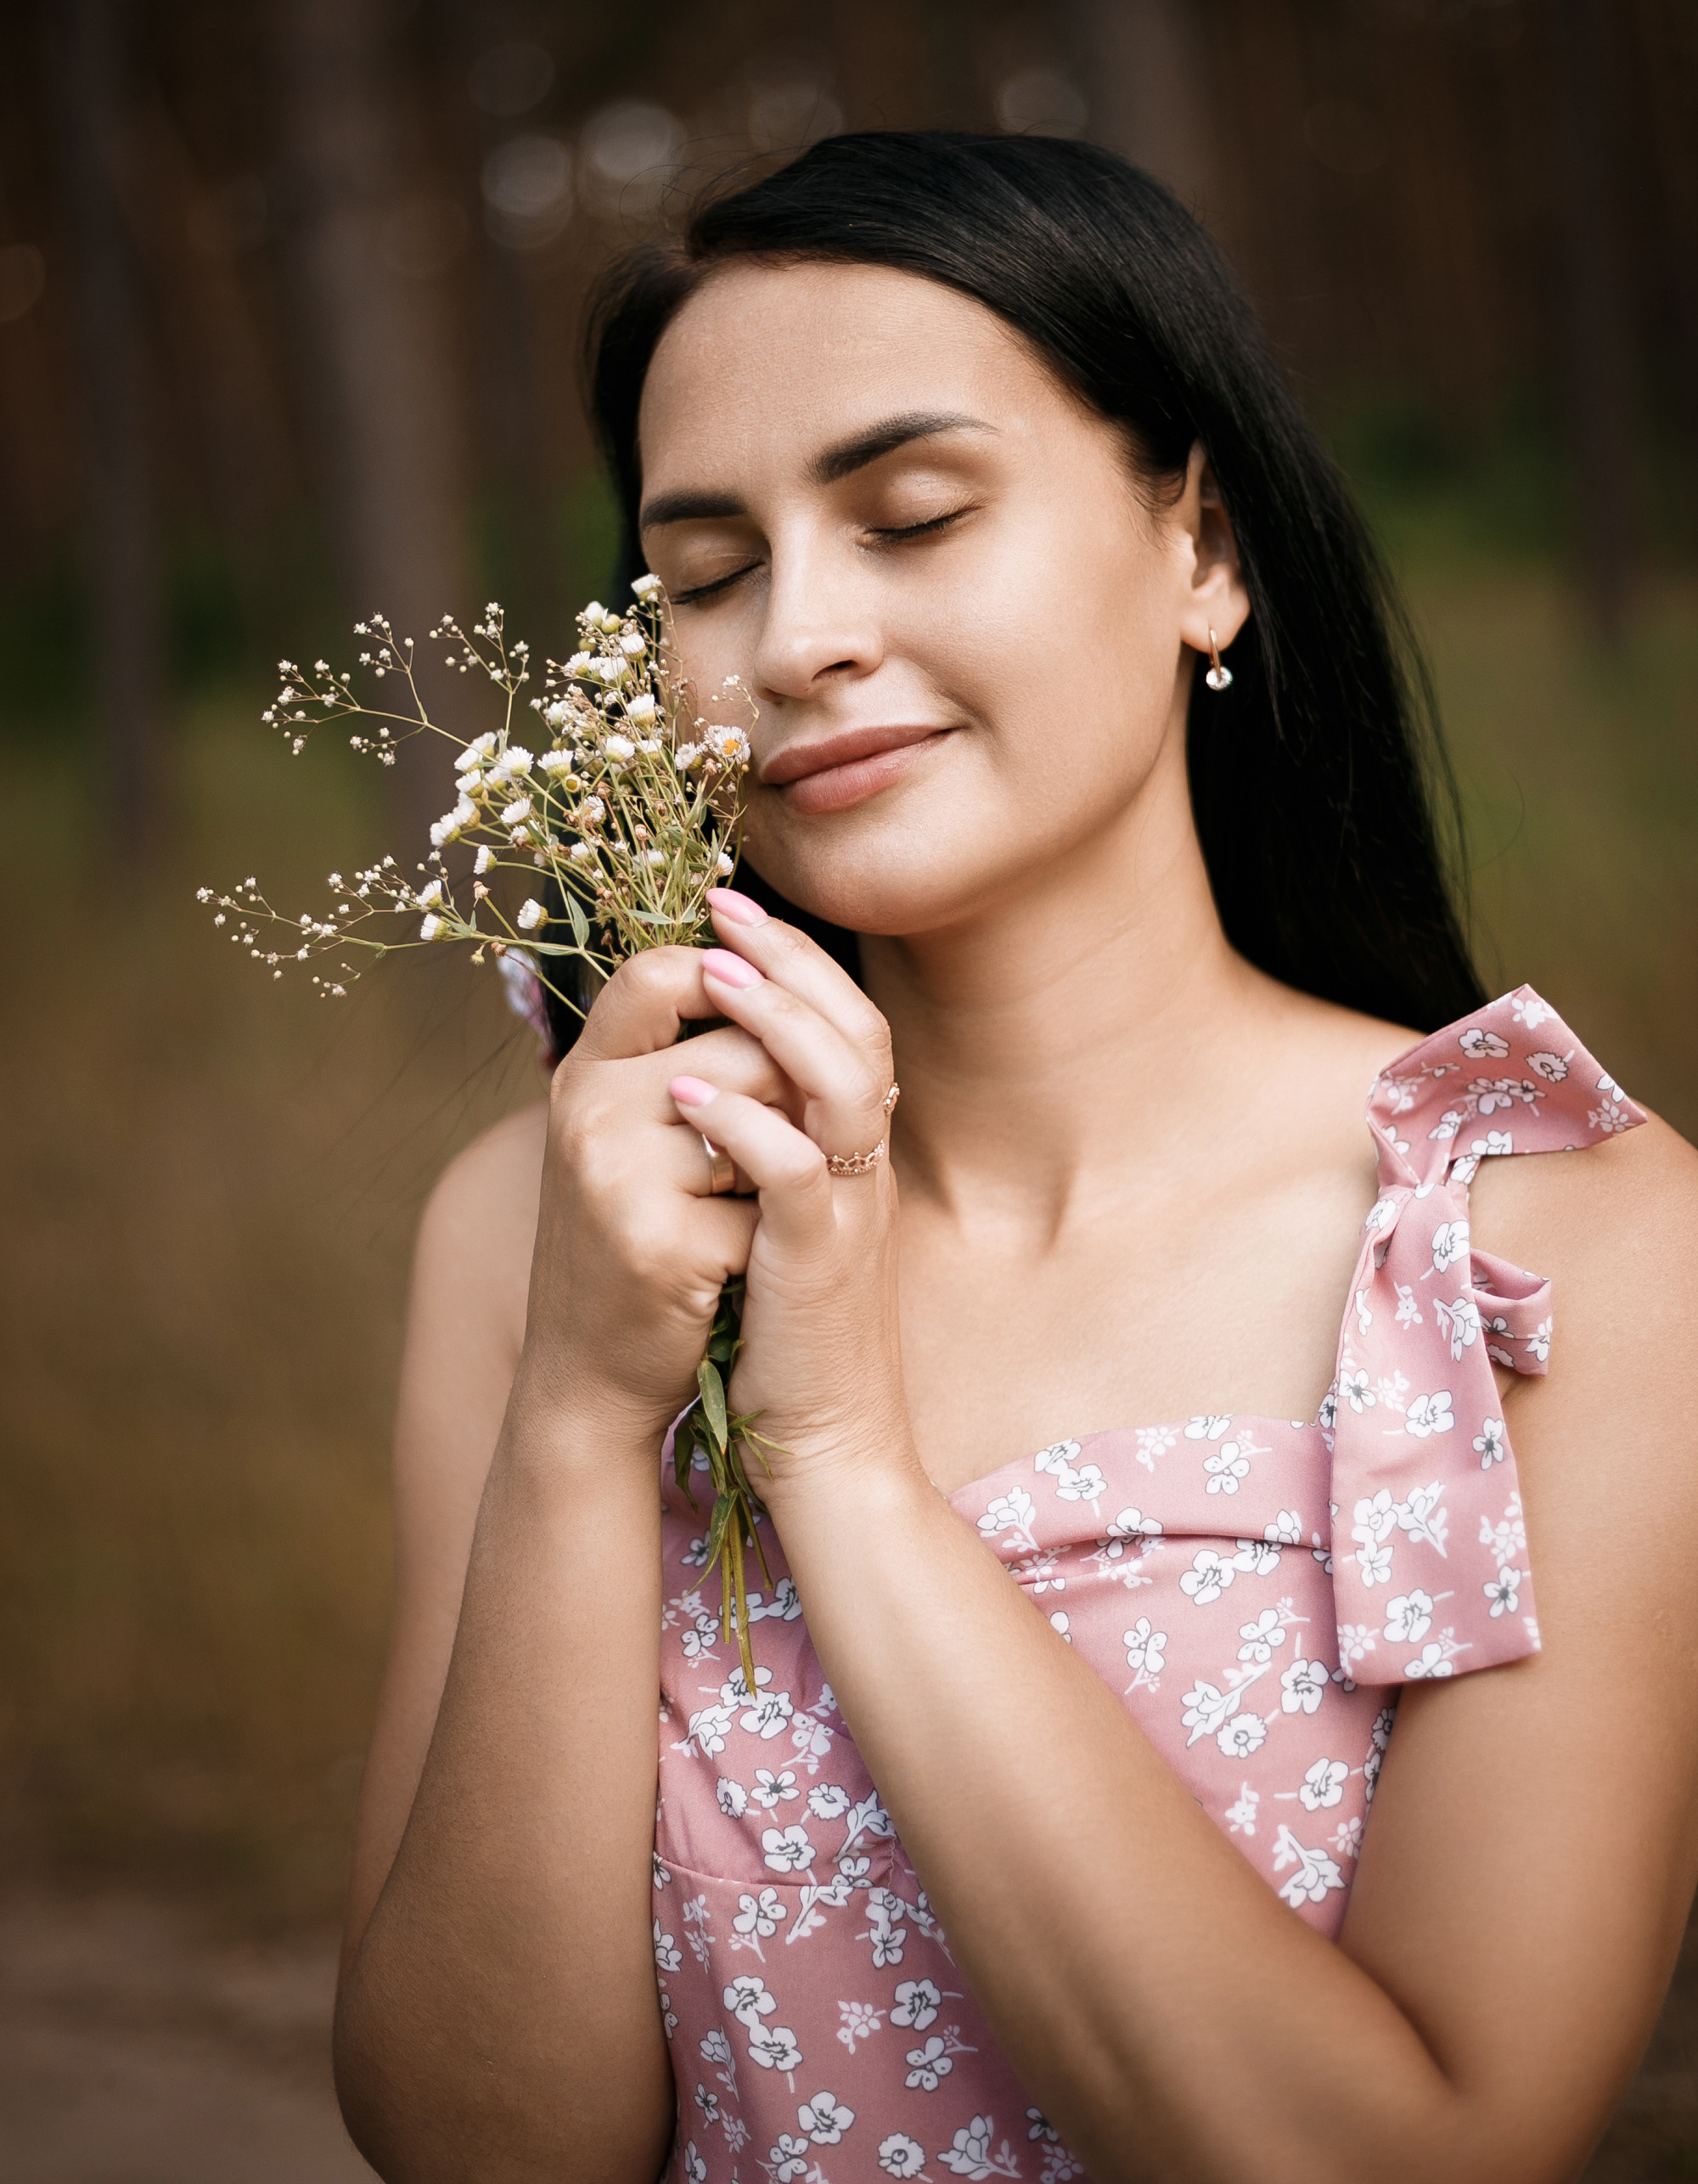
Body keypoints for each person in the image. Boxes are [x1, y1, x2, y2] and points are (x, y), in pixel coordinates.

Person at [331, 133, 1698, 2184]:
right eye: (704, 573)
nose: (796, 638)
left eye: (913, 515)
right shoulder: (545, 1227)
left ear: (1201, 547)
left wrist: (839, 1464)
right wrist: (579, 1415)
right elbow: (478, 2148)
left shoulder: (1541, 1241)